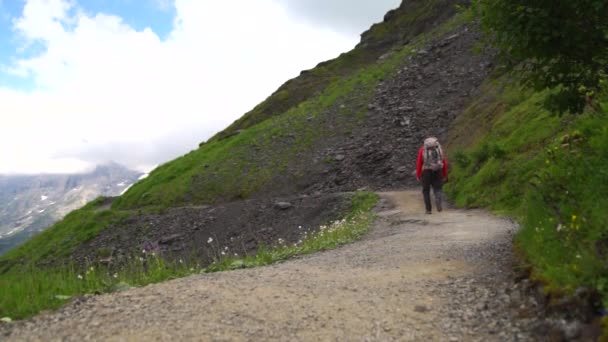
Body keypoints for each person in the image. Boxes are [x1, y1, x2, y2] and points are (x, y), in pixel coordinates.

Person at [416, 137, 448, 214]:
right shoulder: (438, 149)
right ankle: (438, 201)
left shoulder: (422, 149)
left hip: (426, 172)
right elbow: (444, 162)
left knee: (426, 191)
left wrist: (418, 174)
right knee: (437, 188)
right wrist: (444, 174)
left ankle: (428, 210)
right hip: (437, 170)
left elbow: (419, 163)